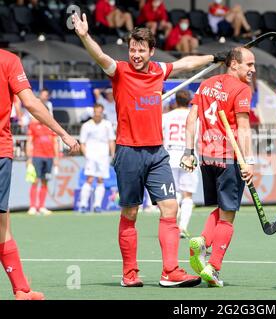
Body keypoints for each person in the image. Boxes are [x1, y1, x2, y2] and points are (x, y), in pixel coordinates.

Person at [72, 12, 227, 287]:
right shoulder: (119, 70)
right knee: (130, 214)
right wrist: (84, 36)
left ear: (151, 51)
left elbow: (184, 63)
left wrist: (213, 58)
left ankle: (170, 271)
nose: (136, 55)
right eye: (133, 49)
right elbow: (99, 56)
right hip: (128, 152)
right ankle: (129, 274)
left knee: (171, 208)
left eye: (141, 50)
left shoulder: (158, 70)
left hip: (157, 153)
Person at [0, 48, 79, 300]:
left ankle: (22, 289)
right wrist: (63, 133)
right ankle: (21, 289)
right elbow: (31, 103)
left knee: (3, 223)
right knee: (2, 226)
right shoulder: (8, 60)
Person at [182, 47, 255, 287]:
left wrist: (189, 152)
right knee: (228, 216)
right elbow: (243, 129)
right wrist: (249, 161)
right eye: (249, 65)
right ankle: (213, 266)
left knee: (221, 209)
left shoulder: (207, 84)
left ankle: (202, 241)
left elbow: (191, 119)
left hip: (205, 157)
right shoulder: (242, 89)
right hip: (228, 158)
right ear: (234, 64)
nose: (253, 70)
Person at [162, 90, 198, 239]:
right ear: (190, 101)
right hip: (187, 156)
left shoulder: (165, 117)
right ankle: (182, 227)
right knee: (187, 195)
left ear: (175, 101)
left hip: (169, 155)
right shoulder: (195, 117)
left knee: (173, 193)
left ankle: (171, 225)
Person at [79, 103, 116, 213]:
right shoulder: (86, 125)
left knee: (101, 179)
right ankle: (83, 205)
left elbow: (111, 140)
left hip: (103, 156)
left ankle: (97, 205)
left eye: (100, 112)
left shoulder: (107, 124)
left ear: (102, 112)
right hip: (91, 156)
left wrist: (112, 154)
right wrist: (87, 155)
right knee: (89, 179)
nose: (98, 114)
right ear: (93, 112)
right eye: (96, 112)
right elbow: (82, 142)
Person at [26, 114, 59, 216]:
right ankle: (32, 206)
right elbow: (29, 142)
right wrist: (29, 157)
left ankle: (41, 206)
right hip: (37, 156)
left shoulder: (52, 126)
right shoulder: (33, 125)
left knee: (45, 181)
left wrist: (56, 158)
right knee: (35, 181)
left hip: (49, 157)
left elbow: (55, 142)